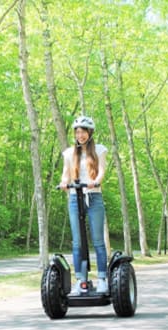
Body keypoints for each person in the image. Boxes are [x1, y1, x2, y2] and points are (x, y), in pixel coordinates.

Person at [59, 116, 108, 294]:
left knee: (97, 240)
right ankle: (81, 280)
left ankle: (102, 278)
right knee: (77, 242)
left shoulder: (100, 150)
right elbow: (66, 174)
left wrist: (95, 181)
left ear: (90, 133)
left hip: (94, 197)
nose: (80, 135)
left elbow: (102, 169)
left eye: (83, 131)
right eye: (78, 132)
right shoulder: (69, 153)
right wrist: (64, 182)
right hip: (75, 198)